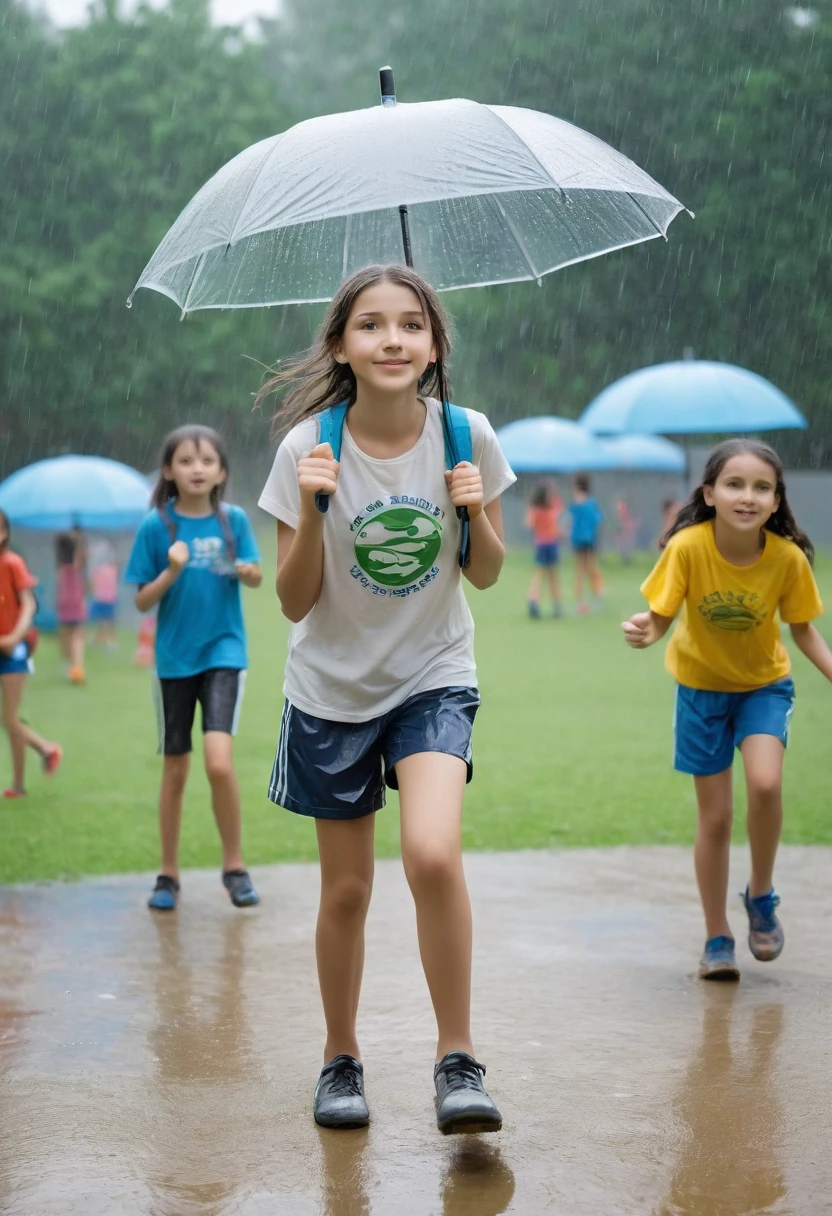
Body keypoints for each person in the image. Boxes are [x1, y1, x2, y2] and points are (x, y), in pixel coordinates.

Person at [257, 263, 516, 1135]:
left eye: (412, 324)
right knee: (347, 893)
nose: (393, 339)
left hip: (432, 676)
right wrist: (313, 504)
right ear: (342, 345)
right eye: (371, 325)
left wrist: (473, 510)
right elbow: (293, 601)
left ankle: (458, 1060)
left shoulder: (466, 435)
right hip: (331, 690)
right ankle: (341, 1059)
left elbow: (484, 573)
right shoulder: (308, 447)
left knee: (434, 856)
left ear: (435, 344)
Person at [622, 439, 831, 980]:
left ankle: (760, 893)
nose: (748, 496)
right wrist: (648, 630)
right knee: (714, 818)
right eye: (734, 484)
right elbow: (662, 612)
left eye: (762, 487)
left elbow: (803, 629)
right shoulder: (689, 547)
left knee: (764, 784)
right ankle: (717, 934)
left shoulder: (785, 559)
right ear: (709, 494)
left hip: (764, 687)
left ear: (776, 500)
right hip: (700, 692)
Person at [125, 425, 263, 913]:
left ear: (222, 471)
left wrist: (248, 572)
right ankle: (168, 875)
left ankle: (235, 867)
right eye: (185, 461)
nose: (197, 469)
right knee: (176, 769)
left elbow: (256, 574)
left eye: (207, 461)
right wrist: (172, 569)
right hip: (174, 661)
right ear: (168, 471)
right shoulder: (155, 528)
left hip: (224, 653)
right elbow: (142, 599)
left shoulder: (235, 521)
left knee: (219, 762)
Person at [0, 510, 62, 797]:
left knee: (10, 719)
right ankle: (45, 749)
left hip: (13, 650)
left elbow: (28, 605)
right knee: (8, 720)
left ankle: (19, 784)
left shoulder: (12, 563)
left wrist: (13, 636)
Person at [524, 480, 563, 618]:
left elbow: (529, 523)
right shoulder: (549, 508)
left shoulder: (538, 509)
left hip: (544, 544)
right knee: (543, 575)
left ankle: (555, 604)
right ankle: (536, 602)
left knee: (549, 575)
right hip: (547, 544)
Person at [567, 474, 604, 612]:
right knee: (592, 567)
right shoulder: (591, 503)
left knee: (580, 570)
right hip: (589, 539)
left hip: (578, 540)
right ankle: (598, 595)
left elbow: (570, 520)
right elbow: (598, 519)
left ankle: (581, 601)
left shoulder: (576, 503)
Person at [55, 524, 87, 683]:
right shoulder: (76, 564)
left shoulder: (61, 567)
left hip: (65, 602)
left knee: (67, 633)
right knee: (77, 634)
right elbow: (82, 554)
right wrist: (79, 537)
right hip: (75, 602)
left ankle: (71, 665)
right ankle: (76, 666)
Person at [89, 540, 120, 649]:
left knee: (106, 621)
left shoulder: (112, 569)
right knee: (104, 620)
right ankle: (101, 639)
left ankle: (109, 641)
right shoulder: (100, 570)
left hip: (109, 598)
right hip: (101, 598)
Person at [615, 495, 638, 564]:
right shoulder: (620, 508)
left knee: (627, 544)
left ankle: (627, 559)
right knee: (623, 544)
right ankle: (625, 558)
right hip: (623, 529)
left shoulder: (624, 508)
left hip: (627, 529)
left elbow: (624, 518)